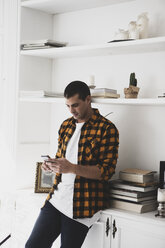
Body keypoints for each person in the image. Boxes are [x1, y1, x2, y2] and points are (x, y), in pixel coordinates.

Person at [25, 81, 119, 248]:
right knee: (32, 246)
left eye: (75, 105)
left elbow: (106, 171)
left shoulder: (107, 129)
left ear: (88, 99)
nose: (71, 110)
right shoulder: (66, 126)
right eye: (68, 106)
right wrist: (51, 165)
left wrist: (72, 168)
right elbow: (62, 160)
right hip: (57, 199)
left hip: (84, 204)